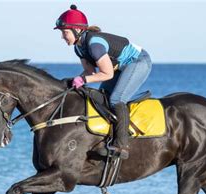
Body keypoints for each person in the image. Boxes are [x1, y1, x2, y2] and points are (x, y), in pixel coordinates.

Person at [54, 4, 152, 160]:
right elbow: (90, 72)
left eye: (65, 32)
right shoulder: (78, 48)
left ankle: (122, 145)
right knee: (104, 96)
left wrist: (83, 80)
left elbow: (107, 73)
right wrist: (76, 82)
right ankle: (111, 135)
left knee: (116, 99)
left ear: (77, 30)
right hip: (118, 67)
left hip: (138, 61)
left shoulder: (94, 44)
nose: (62, 36)